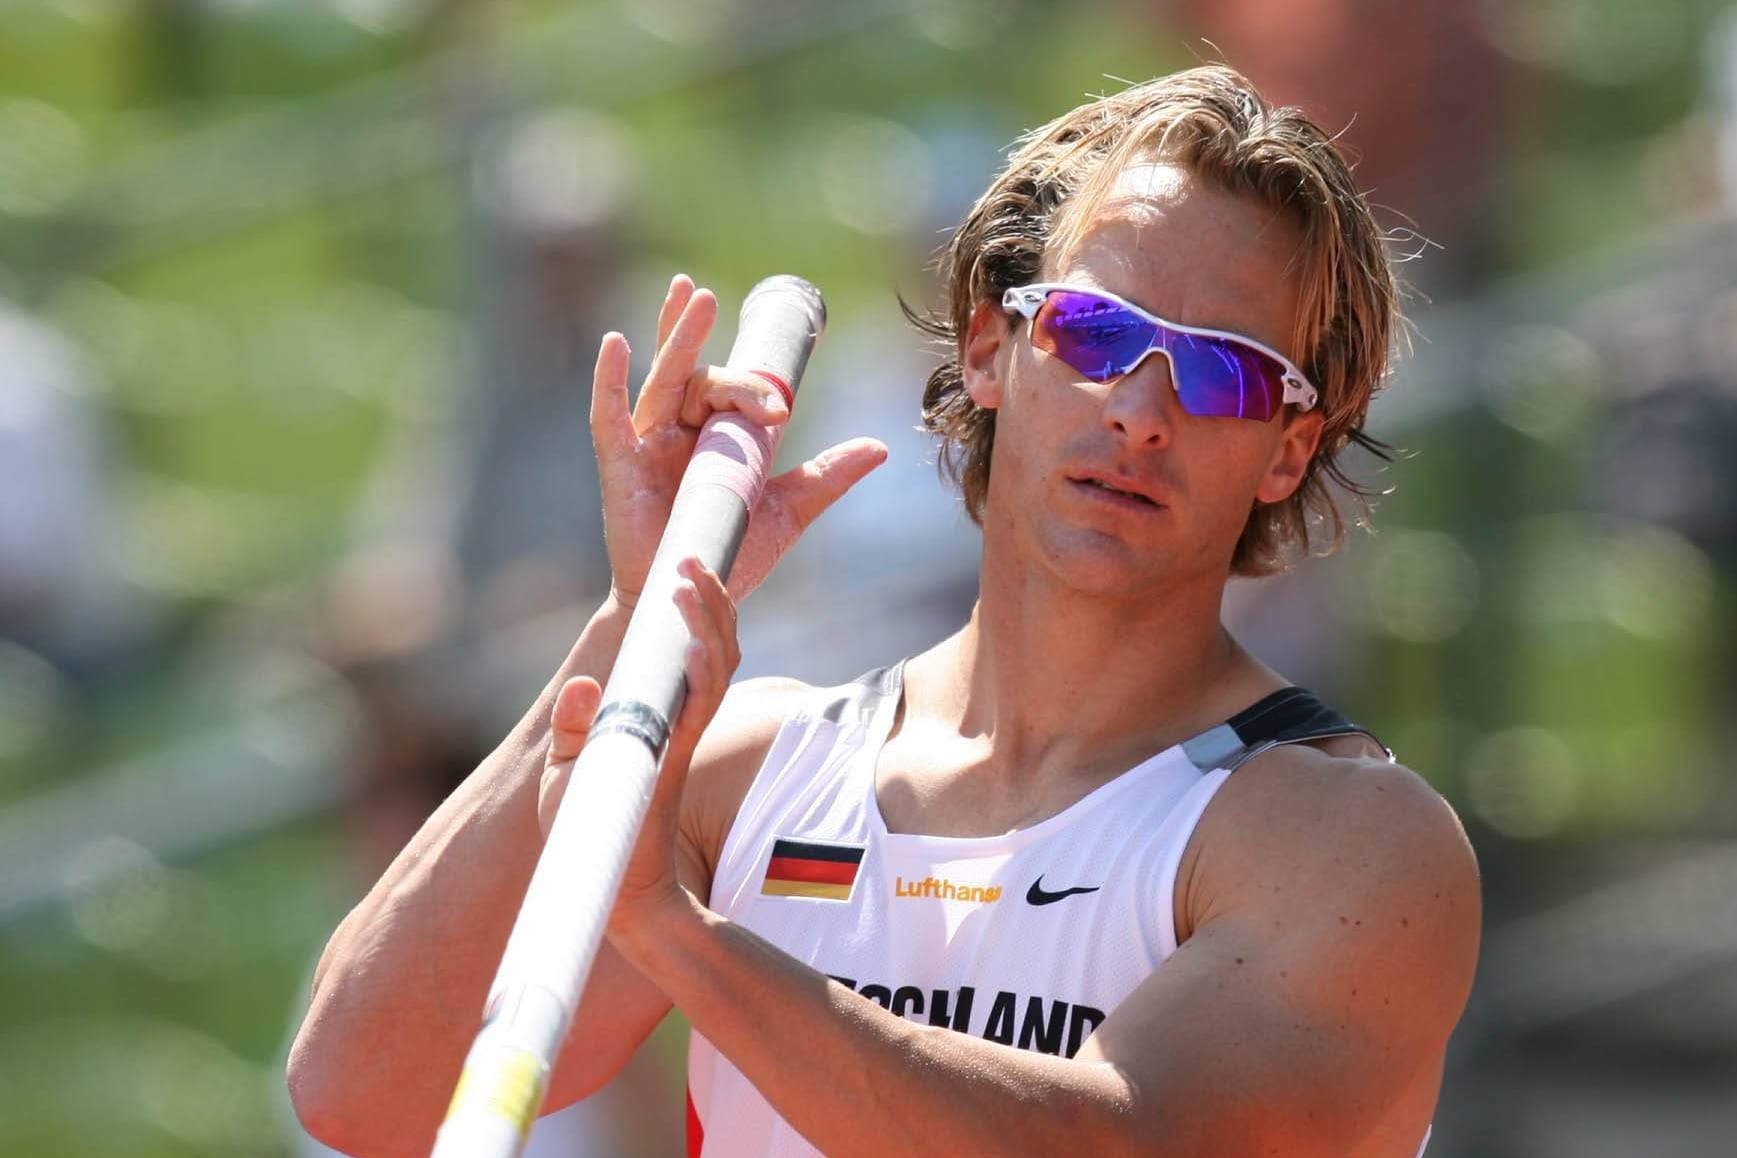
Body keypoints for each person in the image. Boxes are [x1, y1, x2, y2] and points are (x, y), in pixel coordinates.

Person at [288, 65, 1481, 1158]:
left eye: (1219, 369)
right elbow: (364, 1086)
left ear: (1289, 448)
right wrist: (638, 617)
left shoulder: (1351, 844)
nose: (1138, 408)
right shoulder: (756, 764)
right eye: (1096, 330)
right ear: (989, 350)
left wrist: (679, 933)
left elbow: (1121, 1146)